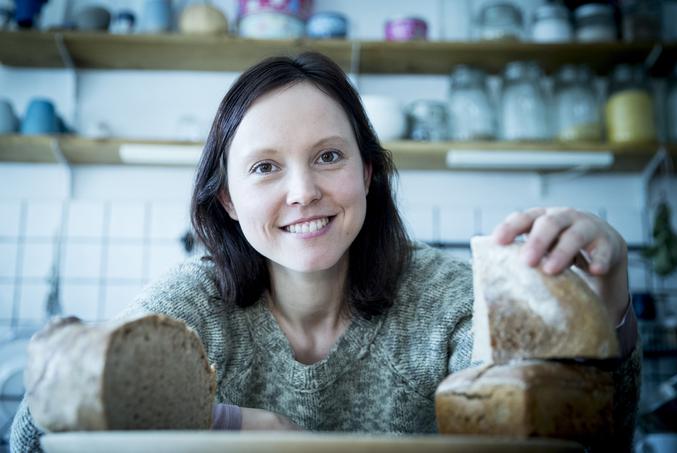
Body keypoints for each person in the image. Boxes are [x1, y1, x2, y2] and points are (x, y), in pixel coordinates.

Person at [10, 52, 639, 451]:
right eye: (264, 167)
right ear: (227, 199)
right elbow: (36, 436)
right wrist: (219, 424)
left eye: (329, 157)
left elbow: (581, 439)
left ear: (367, 174)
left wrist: (605, 314)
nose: (304, 192)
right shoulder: (189, 304)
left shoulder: (449, 296)